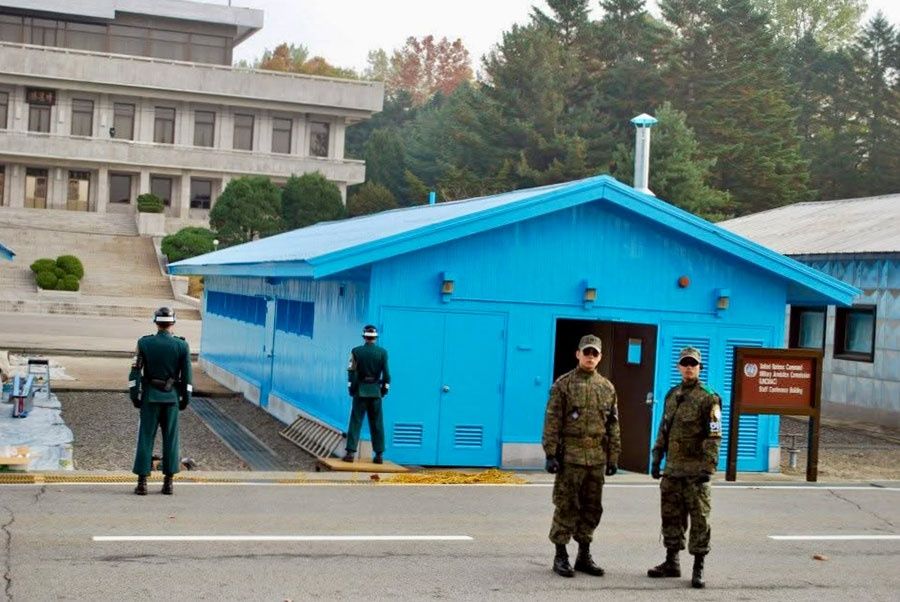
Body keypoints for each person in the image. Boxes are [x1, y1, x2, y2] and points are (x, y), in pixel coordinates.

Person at [541, 334, 621, 578]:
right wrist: (550, 453)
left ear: (600, 357)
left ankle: (583, 554)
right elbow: (552, 420)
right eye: (586, 352)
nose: (590, 356)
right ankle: (561, 554)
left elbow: (614, 424)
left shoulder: (607, 387)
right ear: (578, 354)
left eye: (594, 353)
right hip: (570, 457)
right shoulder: (563, 384)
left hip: (596, 458)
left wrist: (613, 456)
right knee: (566, 505)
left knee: (592, 508)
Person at [647, 346, 722, 589]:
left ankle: (698, 567)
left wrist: (708, 466)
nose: (689, 367)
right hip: (673, 470)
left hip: (695, 472)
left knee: (700, 520)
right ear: (679, 367)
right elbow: (664, 429)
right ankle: (671, 562)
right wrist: (657, 457)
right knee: (670, 516)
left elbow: (714, 435)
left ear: (700, 367)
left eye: (693, 363)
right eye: (685, 363)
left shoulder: (708, 397)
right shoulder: (672, 395)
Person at [128, 307, 192, 495]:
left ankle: (142, 483)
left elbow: (135, 371)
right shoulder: (182, 346)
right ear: (172, 323)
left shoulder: (144, 343)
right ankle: (168, 483)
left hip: (149, 398)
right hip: (171, 400)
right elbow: (187, 377)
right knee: (171, 440)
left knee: (145, 438)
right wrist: (185, 399)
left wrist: (134, 395)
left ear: (156, 322)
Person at [343, 325, 391, 464]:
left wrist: (351, 388)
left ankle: (350, 453)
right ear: (375, 337)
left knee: (356, 421)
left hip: (360, 391)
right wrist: (384, 389)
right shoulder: (382, 352)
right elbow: (387, 374)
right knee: (377, 423)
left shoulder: (356, 351)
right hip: (375, 391)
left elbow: (351, 372)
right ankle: (379, 455)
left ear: (364, 337)